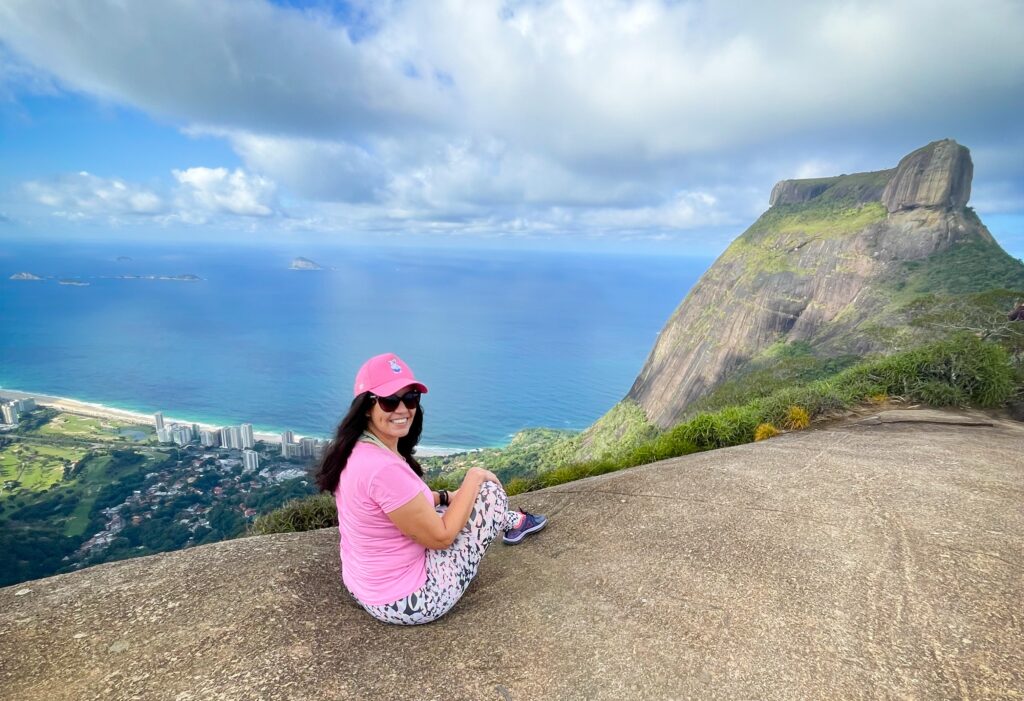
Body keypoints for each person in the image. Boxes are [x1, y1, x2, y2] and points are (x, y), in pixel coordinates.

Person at [315, 353, 547, 625]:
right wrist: (473, 477)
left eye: (411, 398)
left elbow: (405, 505)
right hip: (410, 600)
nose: (402, 409)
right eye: (390, 401)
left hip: (365, 585)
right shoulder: (382, 469)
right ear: (367, 406)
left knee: (449, 505)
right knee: (489, 492)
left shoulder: (356, 450)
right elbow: (441, 538)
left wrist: (447, 497)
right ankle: (507, 521)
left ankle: (509, 520)